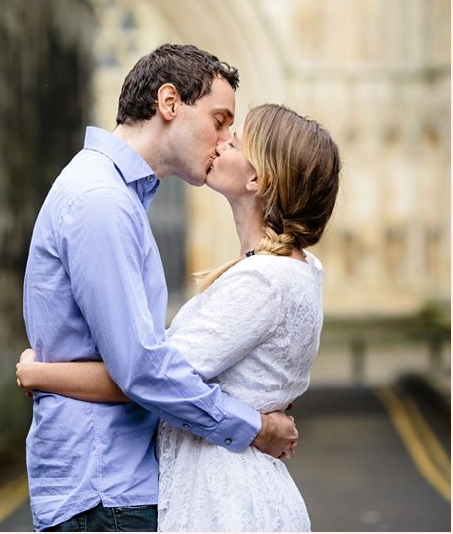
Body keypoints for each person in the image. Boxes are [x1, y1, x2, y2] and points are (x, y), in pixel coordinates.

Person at [18, 102, 342, 531]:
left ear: (257, 178)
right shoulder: (292, 271)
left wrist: (39, 373)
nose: (221, 141)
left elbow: (149, 377)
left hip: (224, 501)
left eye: (235, 138)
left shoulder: (263, 281)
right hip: (231, 491)